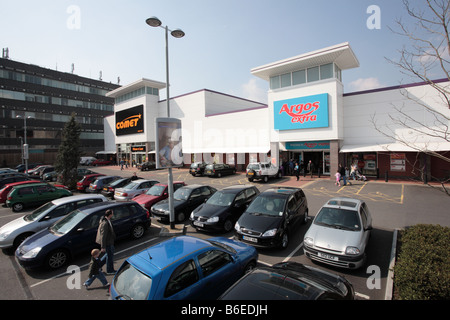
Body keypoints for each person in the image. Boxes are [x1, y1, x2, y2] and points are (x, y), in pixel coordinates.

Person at [96, 209, 116, 274]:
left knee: (108, 255)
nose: (113, 214)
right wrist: (103, 247)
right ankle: (110, 270)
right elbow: (103, 235)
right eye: (112, 213)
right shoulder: (105, 223)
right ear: (110, 215)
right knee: (110, 257)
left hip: (110, 241)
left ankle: (98, 266)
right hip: (108, 242)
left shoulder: (108, 220)